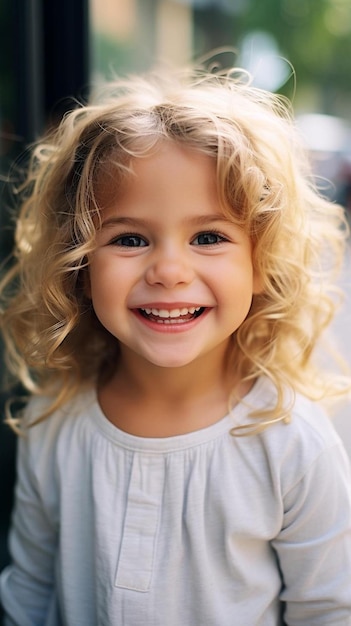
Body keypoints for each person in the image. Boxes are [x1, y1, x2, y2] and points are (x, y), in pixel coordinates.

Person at [0, 63, 351, 626]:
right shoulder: (54, 420)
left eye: (208, 237)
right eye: (130, 238)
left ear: (262, 262)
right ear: (80, 263)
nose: (168, 270)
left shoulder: (292, 446)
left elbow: (329, 611)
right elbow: (29, 593)